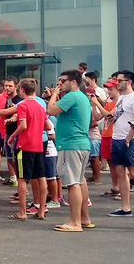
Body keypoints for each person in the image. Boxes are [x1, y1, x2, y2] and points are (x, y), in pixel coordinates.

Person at [48, 70, 94, 232]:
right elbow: (89, 122)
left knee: (73, 183)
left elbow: (51, 110)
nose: (60, 83)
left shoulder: (72, 96)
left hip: (71, 145)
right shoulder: (83, 98)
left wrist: (54, 94)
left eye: (63, 80)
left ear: (73, 82)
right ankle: (84, 218)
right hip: (82, 144)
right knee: (80, 181)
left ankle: (75, 222)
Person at [7, 79, 49, 221]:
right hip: (39, 145)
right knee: (41, 177)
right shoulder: (40, 106)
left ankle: (22, 212)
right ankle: (42, 210)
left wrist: (13, 136)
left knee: (22, 179)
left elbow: (23, 125)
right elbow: (48, 126)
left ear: (22, 90)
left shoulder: (23, 106)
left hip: (25, 145)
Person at [106, 70, 134, 221]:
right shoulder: (122, 98)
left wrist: (128, 138)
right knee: (121, 172)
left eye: (119, 80)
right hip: (118, 139)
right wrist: (111, 119)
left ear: (128, 82)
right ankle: (125, 207)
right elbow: (118, 115)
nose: (116, 83)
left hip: (130, 140)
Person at [91, 79, 120, 198]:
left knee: (118, 164)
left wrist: (97, 103)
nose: (108, 91)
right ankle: (115, 187)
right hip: (106, 134)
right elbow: (98, 117)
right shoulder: (109, 102)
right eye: (108, 89)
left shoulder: (119, 102)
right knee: (111, 162)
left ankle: (121, 188)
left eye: (111, 89)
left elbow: (109, 115)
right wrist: (94, 104)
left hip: (114, 135)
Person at [3, 76, 23, 187]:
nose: (7, 88)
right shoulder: (7, 100)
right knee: (10, 158)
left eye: (10, 86)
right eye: (6, 85)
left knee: (16, 159)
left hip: (17, 135)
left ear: (16, 87)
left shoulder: (19, 101)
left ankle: (20, 183)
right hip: (9, 133)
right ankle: (14, 179)